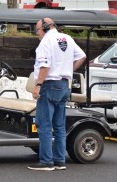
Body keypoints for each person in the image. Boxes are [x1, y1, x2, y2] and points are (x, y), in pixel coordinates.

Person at [28, 17, 86, 171]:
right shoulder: (67, 38)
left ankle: (46, 162)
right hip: (64, 85)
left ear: (45, 28)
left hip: (49, 85)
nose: (37, 34)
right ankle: (60, 160)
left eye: (37, 31)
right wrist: (69, 70)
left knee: (44, 125)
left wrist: (38, 85)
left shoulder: (46, 42)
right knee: (59, 126)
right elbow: (82, 56)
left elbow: (44, 65)